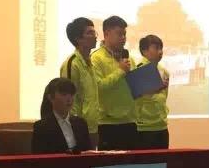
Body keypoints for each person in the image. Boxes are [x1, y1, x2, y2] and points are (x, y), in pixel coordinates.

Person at [91, 15, 138, 150]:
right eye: (119, 34)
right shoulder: (96, 58)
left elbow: (135, 89)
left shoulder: (129, 59)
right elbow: (98, 87)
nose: (123, 38)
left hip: (130, 121)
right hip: (107, 124)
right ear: (106, 34)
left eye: (124, 34)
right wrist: (120, 71)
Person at [60, 17, 99, 147]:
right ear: (78, 38)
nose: (95, 36)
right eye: (90, 33)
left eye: (94, 32)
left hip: (93, 127)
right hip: (78, 128)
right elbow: (67, 99)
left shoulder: (90, 63)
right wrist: (74, 127)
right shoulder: (72, 64)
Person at [31, 78, 91, 154]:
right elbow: (39, 157)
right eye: (64, 94)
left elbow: (89, 153)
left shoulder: (81, 123)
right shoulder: (41, 127)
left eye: (71, 94)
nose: (69, 99)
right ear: (51, 98)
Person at [134, 35, 170, 149]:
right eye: (156, 48)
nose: (160, 52)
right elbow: (137, 98)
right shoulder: (138, 70)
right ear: (144, 51)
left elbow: (163, 97)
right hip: (144, 128)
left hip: (162, 126)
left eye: (161, 48)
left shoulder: (164, 71)